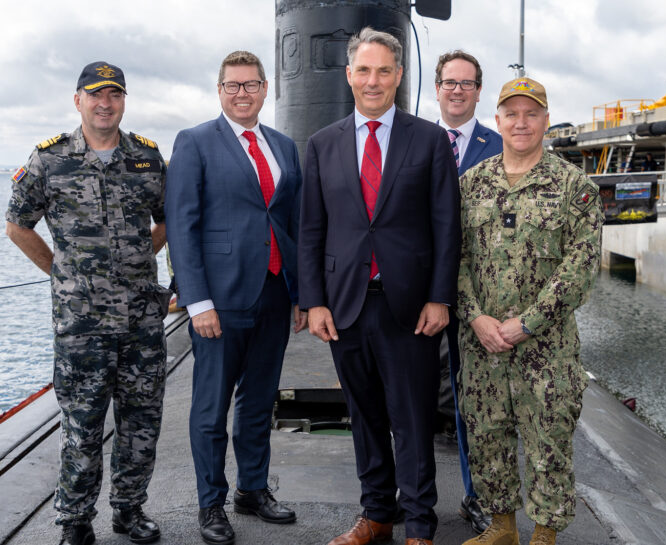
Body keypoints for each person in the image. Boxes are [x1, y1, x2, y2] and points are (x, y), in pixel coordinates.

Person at [299, 27, 460, 545]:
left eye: (384, 70)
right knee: (364, 418)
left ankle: (419, 525)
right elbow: (311, 230)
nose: (373, 80)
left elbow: (445, 225)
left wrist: (440, 297)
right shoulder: (323, 145)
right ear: (349, 75)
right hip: (345, 305)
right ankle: (377, 516)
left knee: (412, 419)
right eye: (363, 70)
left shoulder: (429, 140)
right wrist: (314, 302)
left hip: (409, 305)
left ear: (399, 76)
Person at [5, 61, 169, 545]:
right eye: (95, 94)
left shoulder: (148, 158)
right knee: (82, 425)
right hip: (81, 326)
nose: (105, 103)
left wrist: (140, 258)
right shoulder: (49, 160)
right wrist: (62, 271)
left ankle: (129, 511)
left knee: (142, 423)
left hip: (141, 319)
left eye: (114, 94)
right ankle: (75, 521)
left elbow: (169, 220)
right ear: (78, 100)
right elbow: (17, 225)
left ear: (123, 101)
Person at [166, 50, 306, 545]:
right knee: (211, 407)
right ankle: (211, 503)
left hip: (273, 292)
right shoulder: (195, 142)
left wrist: (300, 294)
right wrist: (197, 301)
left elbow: (293, 224)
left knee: (258, 401)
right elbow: (182, 226)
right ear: (220, 90)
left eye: (251, 85)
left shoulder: (285, 147)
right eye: (233, 86)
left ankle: (252, 489)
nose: (242, 93)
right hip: (220, 301)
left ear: (266, 89)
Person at [457, 77, 603, 545]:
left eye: (531, 113)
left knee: (549, 442)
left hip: (547, 346)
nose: (521, 122)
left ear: (545, 119)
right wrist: (475, 316)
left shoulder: (574, 187)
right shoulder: (471, 185)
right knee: (487, 435)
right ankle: (501, 529)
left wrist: (527, 323)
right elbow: (453, 258)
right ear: (497, 120)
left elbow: (580, 266)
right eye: (512, 113)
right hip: (482, 344)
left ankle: (543, 534)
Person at [433, 48, 502, 535]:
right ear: (437, 88)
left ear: (478, 91)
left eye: (466, 83)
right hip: (421, 294)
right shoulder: (411, 142)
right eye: (449, 82)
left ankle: (478, 496)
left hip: (479, 296)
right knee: (409, 396)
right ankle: (406, 492)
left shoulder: (500, 146)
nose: (457, 91)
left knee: (476, 402)